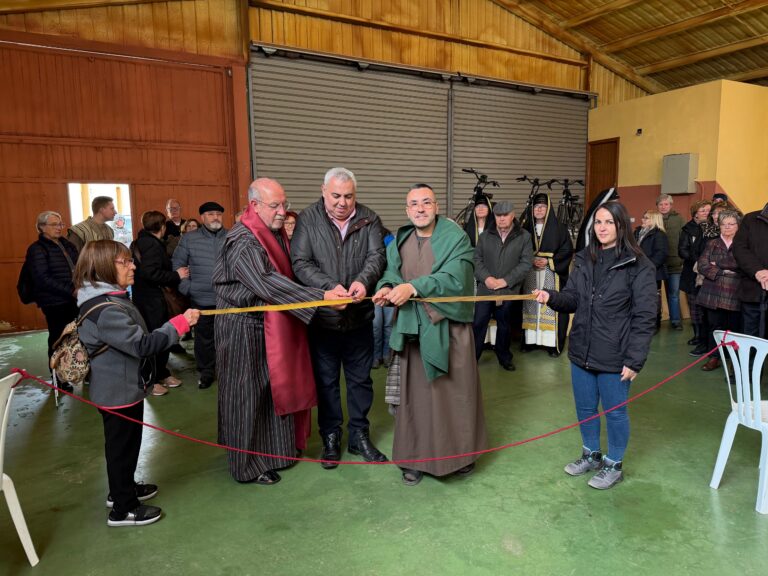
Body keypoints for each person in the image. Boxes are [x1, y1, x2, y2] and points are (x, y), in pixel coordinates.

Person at [213, 178, 345, 484]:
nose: (282, 212)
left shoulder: (270, 235)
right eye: (275, 206)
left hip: (268, 327)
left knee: (270, 393)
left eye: (284, 204)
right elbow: (267, 282)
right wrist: (321, 297)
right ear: (254, 206)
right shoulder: (243, 241)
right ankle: (247, 466)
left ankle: (274, 452)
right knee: (247, 396)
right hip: (242, 331)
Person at [74, 239, 199, 526]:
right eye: (125, 262)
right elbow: (141, 345)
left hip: (124, 387)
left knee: (126, 447)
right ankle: (123, 509)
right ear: (103, 267)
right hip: (116, 392)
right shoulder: (106, 309)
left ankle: (123, 489)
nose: (133, 266)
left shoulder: (110, 298)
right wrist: (179, 324)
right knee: (121, 449)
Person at [535, 201, 656, 490]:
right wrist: (550, 296)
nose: (602, 228)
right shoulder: (586, 258)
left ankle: (614, 464)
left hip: (615, 354)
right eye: (598, 223)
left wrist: (635, 359)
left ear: (621, 226)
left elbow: (645, 316)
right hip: (582, 350)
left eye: (608, 223)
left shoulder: (639, 265)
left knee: (615, 412)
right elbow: (573, 298)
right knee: (586, 408)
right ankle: (591, 455)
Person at [372, 184, 486, 486]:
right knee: (416, 399)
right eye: (413, 204)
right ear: (406, 209)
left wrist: (414, 288)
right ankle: (414, 459)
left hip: (447, 330)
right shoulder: (401, 239)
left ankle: (459, 456)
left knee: (452, 396)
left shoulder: (455, 238)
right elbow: (391, 273)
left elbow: (455, 278)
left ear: (436, 206)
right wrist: (386, 287)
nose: (420, 209)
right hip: (413, 329)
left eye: (426, 203)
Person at [291, 167, 388, 468]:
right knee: (327, 382)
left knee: (361, 380)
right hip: (323, 320)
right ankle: (330, 437)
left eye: (348, 196)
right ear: (323, 191)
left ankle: (359, 436)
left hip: (359, 318)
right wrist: (329, 288)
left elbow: (377, 257)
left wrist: (363, 281)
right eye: (335, 196)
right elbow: (300, 262)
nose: (342, 203)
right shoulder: (308, 219)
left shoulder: (370, 218)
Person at [130, 211, 190, 396]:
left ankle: (162, 373)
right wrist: (176, 276)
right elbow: (150, 273)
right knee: (157, 336)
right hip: (152, 300)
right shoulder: (152, 245)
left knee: (158, 334)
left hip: (147, 299)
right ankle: (151, 379)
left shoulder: (143, 241)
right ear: (162, 227)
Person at [472, 200, 533, 371]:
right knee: (478, 322)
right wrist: (487, 278)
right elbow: (476, 260)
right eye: (498, 215)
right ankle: (472, 358)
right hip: (486, 288)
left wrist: (505, 281)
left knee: (505, 324)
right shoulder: (485, 236)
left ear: (513, 215)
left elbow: (526, 263)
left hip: (508, 289)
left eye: (505, 215)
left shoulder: (524, 236)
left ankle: (504, 357)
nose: (501, 219)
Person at [172, 202, 227, 388]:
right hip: (201, 299)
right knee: (204, 339)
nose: (215, 218)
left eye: (219, 214)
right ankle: (206, 372)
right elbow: (177, 265)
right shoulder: (189, 239)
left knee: (228, 338)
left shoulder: (231, 236)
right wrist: (188, 288)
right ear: (202, 217)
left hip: (228, 299)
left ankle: (227, 371)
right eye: (211, 214)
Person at [25, 211, 80, 392]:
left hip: (73, 298)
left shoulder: (67, 244)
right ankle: (57, 377)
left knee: (75, 336)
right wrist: (71, 291)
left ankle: (78, 370)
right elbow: (42, 278)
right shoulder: (37, 249)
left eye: (60, 224)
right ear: (41, 227)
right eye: (54, 224)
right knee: (58, 339)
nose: (59, 227)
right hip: (54, 301)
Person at [521, 193, 574, 357]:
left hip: (552, 274)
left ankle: (551, 344)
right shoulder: (525, 228)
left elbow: (567, 250)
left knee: (550, 305)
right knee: (530, 304)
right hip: (530, 273)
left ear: (548, 208)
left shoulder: (559, 228)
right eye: (536, 206)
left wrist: (549, 261)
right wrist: (530, 259)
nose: (538, 209)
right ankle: (531, 341)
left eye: (542, 206)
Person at [697, 210, 743, 371]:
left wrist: (718, 264)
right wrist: (722, 271)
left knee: (735, 328)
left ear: (738, 226)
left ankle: (733, 360)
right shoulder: (712, 243)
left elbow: (742, 265)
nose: (727, 227)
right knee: (714, 327)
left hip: (734, 293)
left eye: (731, 224)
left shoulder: (743, 243)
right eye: (723, 224)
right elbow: (702, 265)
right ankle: (714, 357)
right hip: (712, 293)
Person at [679, 200, 712, 347]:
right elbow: (682, 250)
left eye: (708, 210)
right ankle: (697, 335)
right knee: (694, 306)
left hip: (708, 274)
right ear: (695, 213)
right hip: (691, 272)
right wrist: (699, 261)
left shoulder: (712, 229)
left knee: (705, 307)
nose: (706, 213)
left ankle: (705, 336)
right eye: (703, 210)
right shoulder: (688, 229)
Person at [733, 201, 768, 338]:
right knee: (750, 335)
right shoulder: (750, 219)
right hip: (753, 290)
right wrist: (758, 271)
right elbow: (740, 248)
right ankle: (751, 360)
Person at [634, 209, 669, 332]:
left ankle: (653, 324)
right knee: (639, 298)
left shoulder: (659, 234)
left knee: (652, 299)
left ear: (654, 220)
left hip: (653, 273)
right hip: (637, 271)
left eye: (646, 218)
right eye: (643, 217)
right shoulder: (638, 232)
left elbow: (661, 254)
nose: (642, 220)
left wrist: (647, 267)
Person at [656, 194, 684, 330]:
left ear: (671, 205)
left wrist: (682, 257)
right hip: (657, 265)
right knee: (656, 294)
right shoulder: (653, 218)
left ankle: (676, 321)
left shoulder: (679, 219)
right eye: (661, 204)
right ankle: (656, 320)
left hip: (675, 263)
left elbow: (684, 239)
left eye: (666, 204)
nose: (663, 206)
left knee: (673, 294)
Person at [372, 227, 396, 368]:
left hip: (390, 291)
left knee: (388, 324)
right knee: (376, 325)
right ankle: (375, 356)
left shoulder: (390, 239)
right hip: (373, 292)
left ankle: (387, 354)